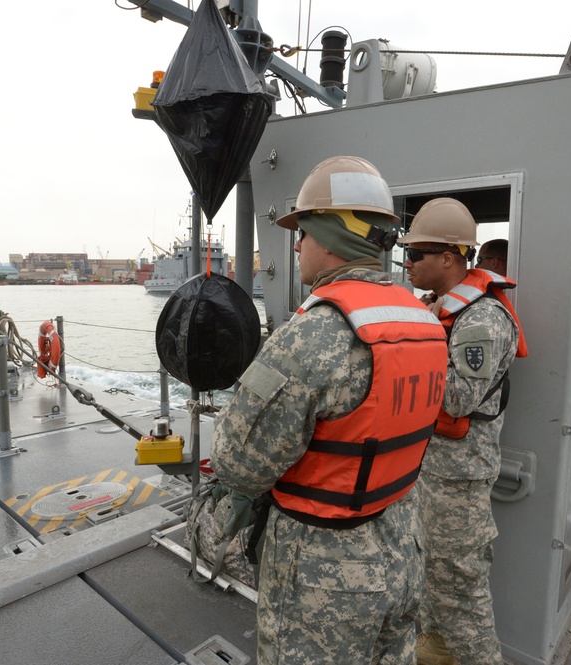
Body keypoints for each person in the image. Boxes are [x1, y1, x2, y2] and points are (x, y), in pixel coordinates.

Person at [210, 156, 448, 665]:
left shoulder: (315, 332)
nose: (296, 245)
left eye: (304, 231)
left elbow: (236, 462)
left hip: (325, 575)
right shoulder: (424, 319)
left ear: (332, 236)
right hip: (403, 546)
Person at [399, 198, 527, 665]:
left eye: (416, 256)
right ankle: (436, 645)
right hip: (432, 467)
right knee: (431, 567)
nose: (407, 263)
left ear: (449, 259)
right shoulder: (444, 310)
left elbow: (456, 399)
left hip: (458, 475)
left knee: (459, 586)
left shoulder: (480, 319)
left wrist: (406, 352)